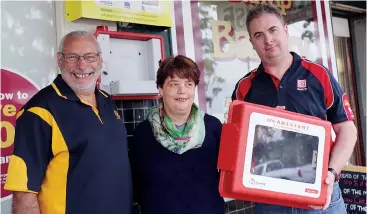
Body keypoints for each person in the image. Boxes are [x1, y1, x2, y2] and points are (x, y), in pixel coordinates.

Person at [231, 3, 357, 214]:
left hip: (320, 195)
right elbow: (237, 145)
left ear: (286, 30)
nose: (268, 40)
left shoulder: (319, 75)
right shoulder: (245, 88)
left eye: (273, 30)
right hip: (270, 198)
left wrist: (331, 174)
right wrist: (265, 130)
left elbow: (347, 129)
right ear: (252, 42)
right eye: (259, 35)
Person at [5, 30, 132, 214]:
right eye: (73, 57)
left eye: (89, 57)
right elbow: (24, 193)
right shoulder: (39, 112)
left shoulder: (106, 101)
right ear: (60, 60)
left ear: (99, 60)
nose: (82, 65)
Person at [129, 55, 225, 214]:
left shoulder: (213, 127)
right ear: (161, 89)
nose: (182, 91)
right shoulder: (143, 133)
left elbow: (227, 177)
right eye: (174, 84)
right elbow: (136, 185)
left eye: (188, 84)